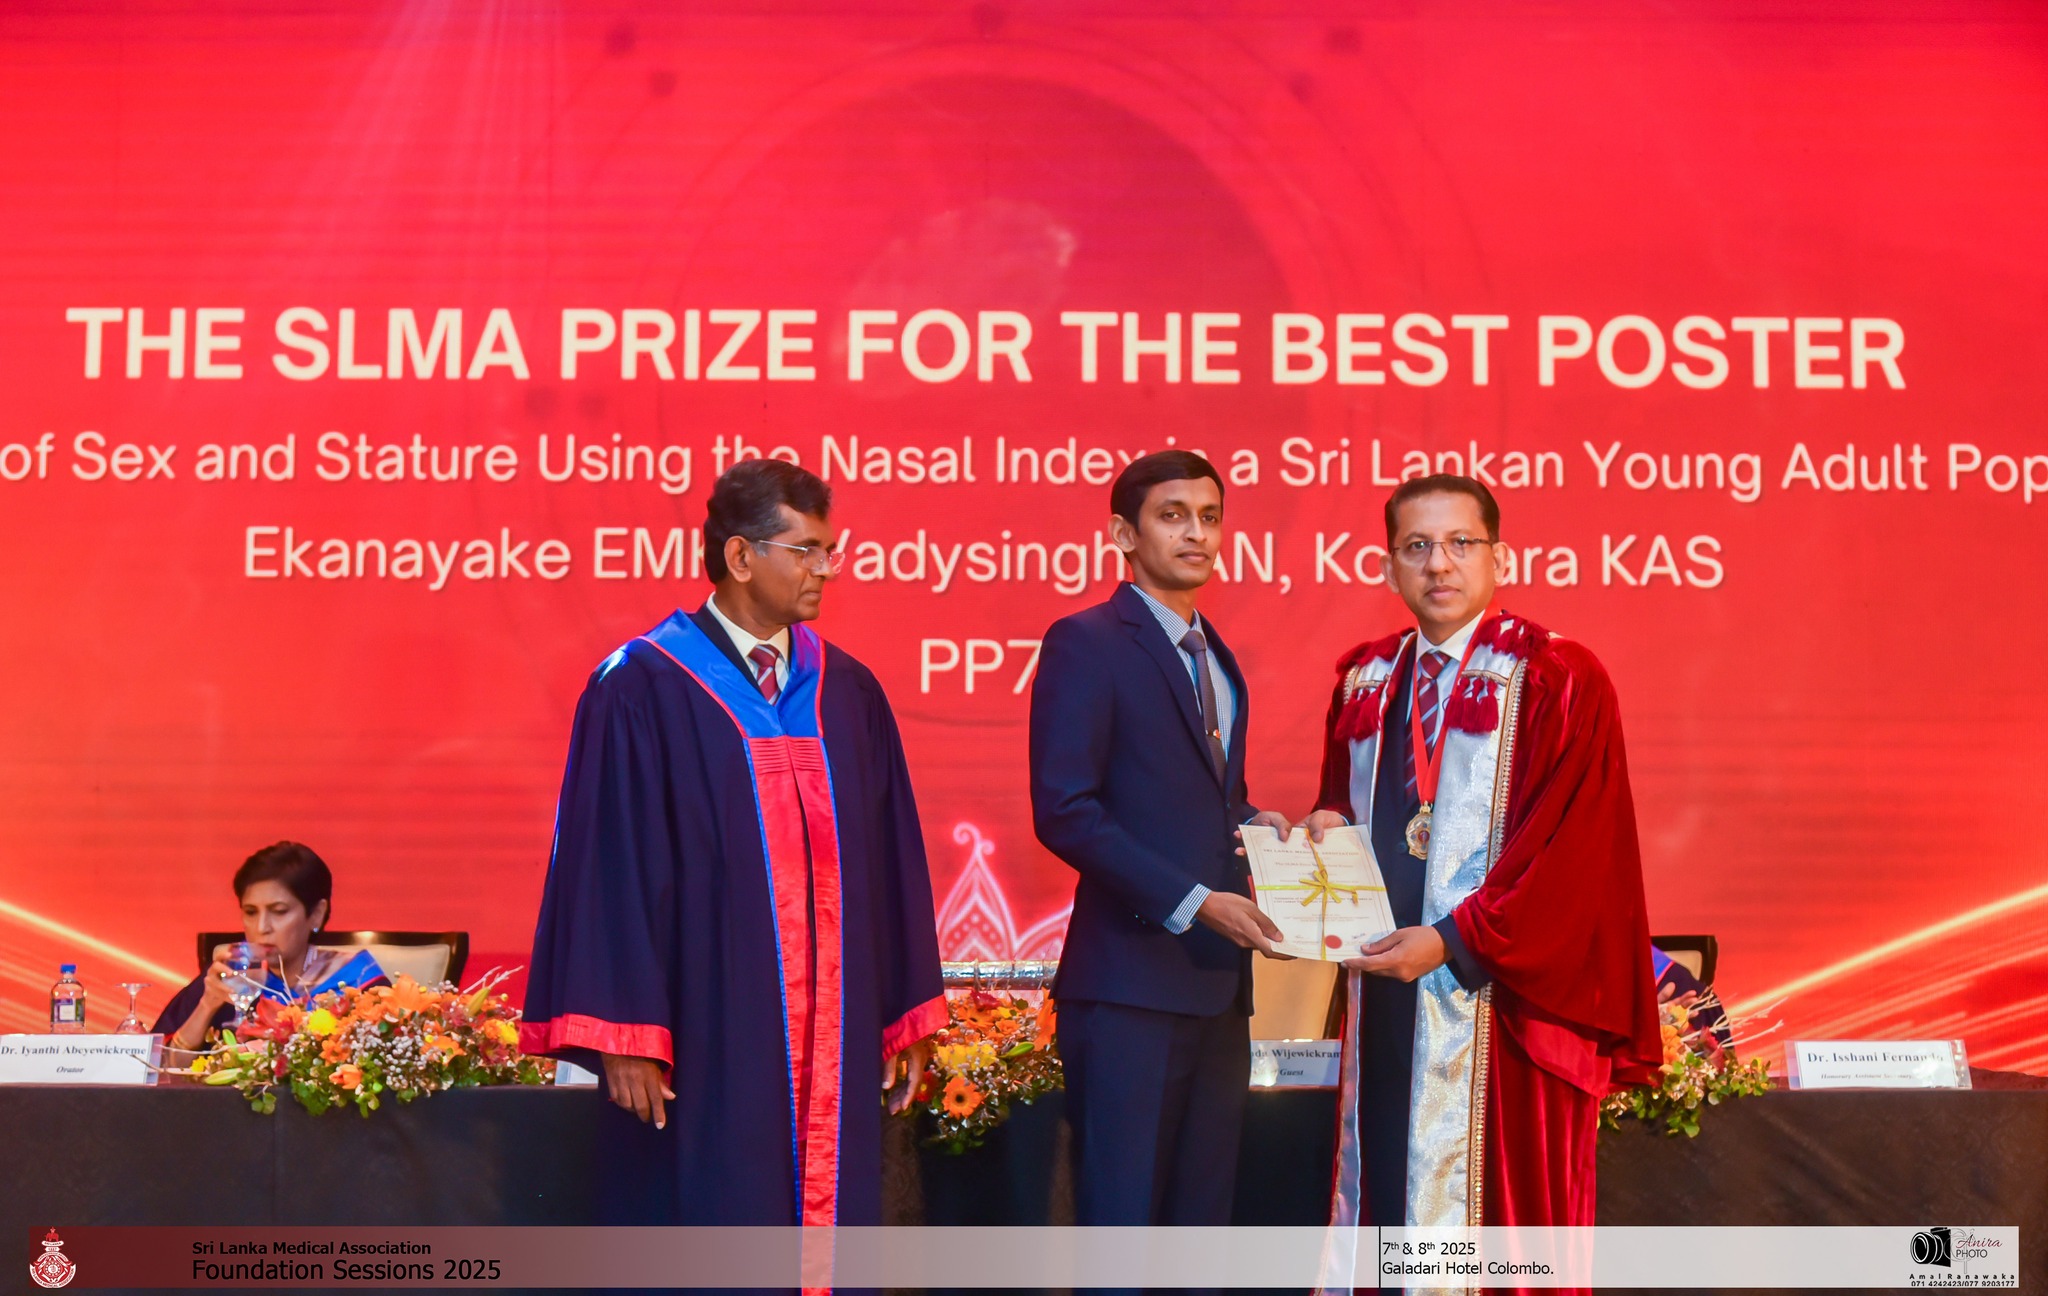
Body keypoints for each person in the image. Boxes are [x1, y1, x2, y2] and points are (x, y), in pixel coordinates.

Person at [521, 459, 946, 1232]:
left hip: (835, 1039)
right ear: (741, 557)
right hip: (702, 1031)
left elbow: (892, 865)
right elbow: (609, 871)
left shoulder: (847, 692)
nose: (825, 569)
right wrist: (626, 1030)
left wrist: (901, 1015)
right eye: (806, 550)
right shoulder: (642, 687)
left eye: (830, 550)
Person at [1300, 474, 1661, 1278]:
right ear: (1388, 566)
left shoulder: (1558, 677)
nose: (1439, 563)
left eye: (1461, 543)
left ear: (1501, 558)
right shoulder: (1363, 682)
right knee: (1383, 1207)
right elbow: (1344, 808)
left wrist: (1452, 940)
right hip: (1386, 997)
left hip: (1507, 1009)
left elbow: (1573, 854)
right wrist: (1322, 829)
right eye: (1417, 547)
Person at [1029, 449, 1290, 1234]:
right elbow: (1065, 810)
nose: (1196, 534)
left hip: (1219, 991)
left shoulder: (1220, 657)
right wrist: (1196, 901)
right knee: (1124, 1228)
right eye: (1173, 516)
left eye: (1209, 517)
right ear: (1123, 534)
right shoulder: (1087, 641)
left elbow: (1202, 802)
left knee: (1199, 1232)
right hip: (1128, 992)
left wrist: (1255, 825)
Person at [153, 841, 386, 1053]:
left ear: (316, 914)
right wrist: (207, 1005)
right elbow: (162, 1067)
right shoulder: (233, 976)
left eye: (279, 911)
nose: (262, 927)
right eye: (250, 912)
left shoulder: (357, 980)